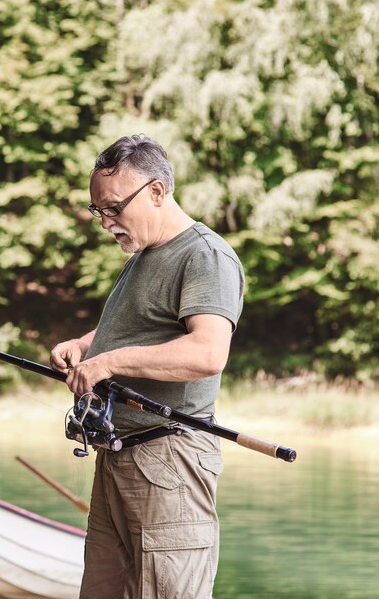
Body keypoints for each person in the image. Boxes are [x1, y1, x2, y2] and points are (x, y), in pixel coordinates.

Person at [50, 135, 244, 599]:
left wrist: (109, 362)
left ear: (157, 192)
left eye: (114, 207)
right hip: (117, 457)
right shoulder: (143, 255)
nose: (106, 222)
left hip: (169, 461)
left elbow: (207, 352)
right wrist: (82, 347)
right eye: (98, 211)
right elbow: (134, 333)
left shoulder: (205, 255)